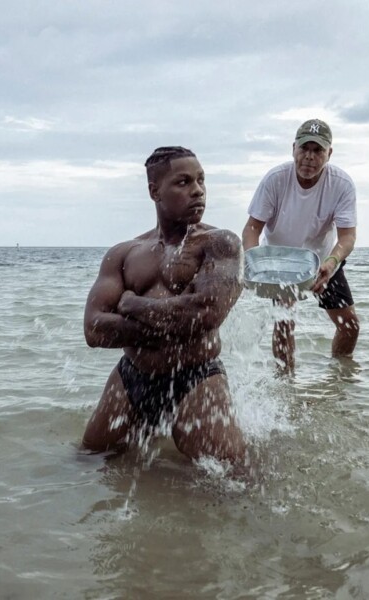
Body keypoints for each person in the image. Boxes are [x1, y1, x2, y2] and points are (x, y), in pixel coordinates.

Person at [82, 146, 247, 470]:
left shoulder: (220, 243)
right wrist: (172, 324)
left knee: (235, 481)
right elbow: (94, 329)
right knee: (89, 461)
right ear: (154, 191)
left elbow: (207, 314)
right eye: (183, 182)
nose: (198, 190)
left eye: (201, 180)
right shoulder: (124, 253)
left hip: (197, 377)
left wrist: (133, 304)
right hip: (132, 377)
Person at [242, 119, 360, 373]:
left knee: (349, 325)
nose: (309, 157)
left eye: (317, 150)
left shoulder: (341, 184)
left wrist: (331, 263)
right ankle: (286, 386)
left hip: (324, 261)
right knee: (284, 325)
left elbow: (347, 236)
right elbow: (252, 228)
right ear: (293, 148)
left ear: (329, 153)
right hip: (280, 262)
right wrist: (253, 260)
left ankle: (339, 381)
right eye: (304, 149)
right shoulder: (275, 179)